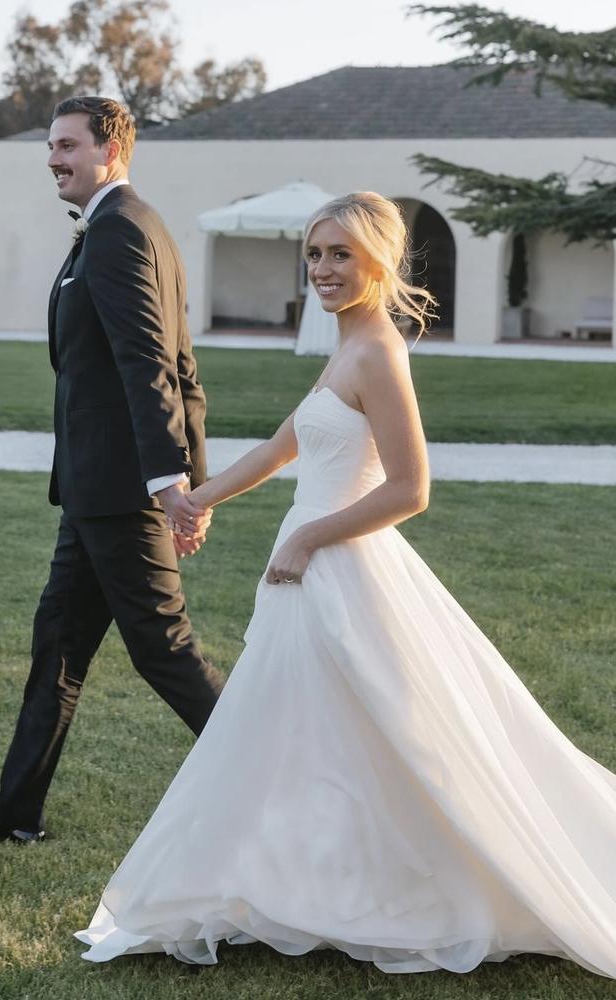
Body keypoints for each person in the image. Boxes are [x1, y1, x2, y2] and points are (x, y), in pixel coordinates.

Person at [76, 192, 616, 977]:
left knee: (399, 739)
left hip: (344, 569)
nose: (325, 270)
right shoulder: (345, 347)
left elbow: (411, 488)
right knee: (303, 738)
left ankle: (408, 884)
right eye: (317, 255)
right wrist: (193, 500)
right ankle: (305, 883)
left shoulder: (379, 353)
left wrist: (307, 536)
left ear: (379, 261)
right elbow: (277, 451)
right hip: (307, 573)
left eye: (341, 256)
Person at [0, 96, 223, 845]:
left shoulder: (121, 232)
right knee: (59, 644)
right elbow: (182, 370)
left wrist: (175, 484)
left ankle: (286, 778)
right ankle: (15, 813)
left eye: (67, 145)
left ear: (111, 151)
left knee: (164, 652)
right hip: (94, 494)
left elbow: (156, 366)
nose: (52, 157)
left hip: (121, 494)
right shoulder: (123, 228)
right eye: (49, 145)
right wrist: (185, 480)